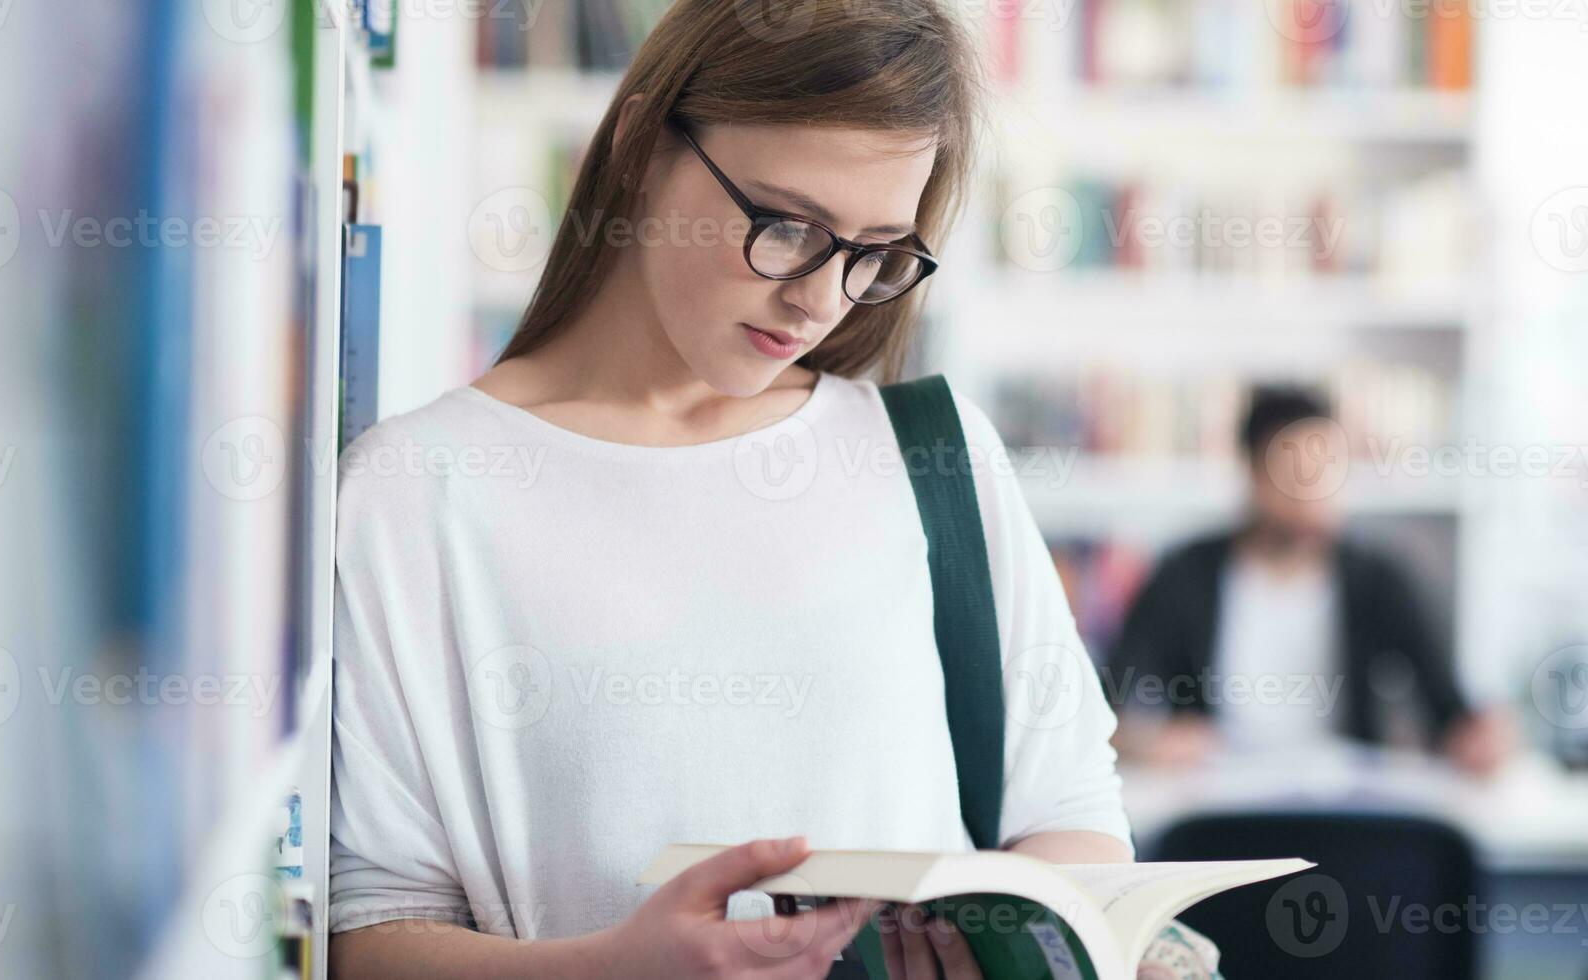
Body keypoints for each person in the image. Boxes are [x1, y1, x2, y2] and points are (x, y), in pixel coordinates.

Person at [325, 2, 1217, 978]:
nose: (820, 298)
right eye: (788, 227)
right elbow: (370, 933)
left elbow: (1068, 820)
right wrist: (616, 967)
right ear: (637, 150)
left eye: (875, 250)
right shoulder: (413, 493)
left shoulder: (932, 454)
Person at [1106, 386, 1517, 776]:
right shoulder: (1185, 575)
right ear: (1252, 474)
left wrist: (1479, 739)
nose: (1314, 494)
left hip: (1345, 806)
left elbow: (1451, 712)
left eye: (1329, 473)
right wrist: (1147, 740)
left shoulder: (1379, 580)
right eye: (1295, 475)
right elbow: (1114, 698)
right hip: (1216, 802)